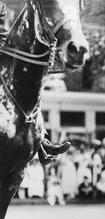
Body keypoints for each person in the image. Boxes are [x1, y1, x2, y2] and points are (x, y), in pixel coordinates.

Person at [0, 6, 70, 166]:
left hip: (7, 61)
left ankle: (42, 140)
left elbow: (13, 36)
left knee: (28, 90)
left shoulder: (9, 9)